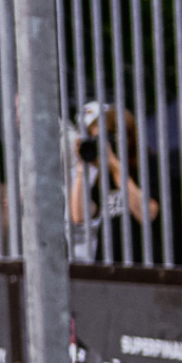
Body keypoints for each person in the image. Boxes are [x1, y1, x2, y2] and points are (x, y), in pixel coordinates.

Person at [68, 102, 158, 264]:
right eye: (94, 138)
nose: (102, 146)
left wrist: (115, 165)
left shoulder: (148, 165)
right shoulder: (105, 176)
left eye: (104, 138)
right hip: (109, 267)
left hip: (144, 266)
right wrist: (82, 167)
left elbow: (147, 213)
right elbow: (79, 216)